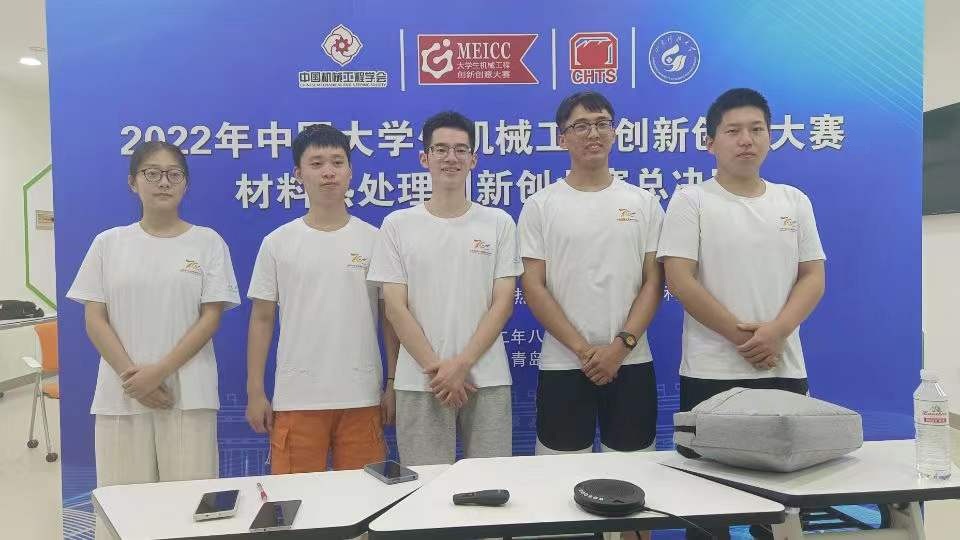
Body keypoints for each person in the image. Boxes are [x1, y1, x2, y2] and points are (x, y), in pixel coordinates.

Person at [658, 88, 826, 539]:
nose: (746, 140)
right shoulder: (691, 200)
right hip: (711, 371)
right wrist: (745, 337)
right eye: (733, 131)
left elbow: (813, 276)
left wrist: (777, 332)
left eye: (756, 130)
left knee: (782, 504)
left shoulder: (794, 201)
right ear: (710, 141)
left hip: (782, 368)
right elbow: (680, 279)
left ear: (771, 137)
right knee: (706, 504)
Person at [67, 141, 240, 539]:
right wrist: (134, 377)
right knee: (122, 510)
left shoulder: (208, 242)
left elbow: (210, 317)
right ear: (133, 182)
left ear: (186, 184)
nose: (164, 182)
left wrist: (158, 373)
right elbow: (94, 318)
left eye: (174, 174)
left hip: (188, 393)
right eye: (152, 173)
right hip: (121, 394)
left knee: (192, 509)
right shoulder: (108, 243)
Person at [367, 111, 522, 466]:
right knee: (425, 488)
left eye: (460, 149)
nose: (451, 157)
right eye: (441, 149)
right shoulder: (397, 225)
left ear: (473, 159)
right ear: (425, 158)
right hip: (421, 380)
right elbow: (395, 308)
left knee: (490, 484)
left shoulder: (499, 223)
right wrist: (439, 372)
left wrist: (462, 364)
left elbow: (502, 304)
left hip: (486, 377)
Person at [518, 91, 664, 461]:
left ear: (614, 133)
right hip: (563, 362)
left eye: (602, 124)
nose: (593, 133)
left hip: (631, 360)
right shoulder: (540, 205)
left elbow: (654, 281)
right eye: (581, 126)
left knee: (636, 474)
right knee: (559, 477)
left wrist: (620, 347)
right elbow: (533, 285)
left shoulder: (643, 202)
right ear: (561, 138)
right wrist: (585, 351)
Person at [245, 124, 398, 473]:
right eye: (316, 163)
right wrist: (255, 391)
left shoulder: (375, 240)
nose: (328, 172)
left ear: (350, 171)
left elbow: (390, 318)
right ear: (298, 174)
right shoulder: (277, 243)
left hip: (362, 396)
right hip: (297, 397)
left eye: (337, 162)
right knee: (296, 500)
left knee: (365, 497)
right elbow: (262, 319)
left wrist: (392, 383)